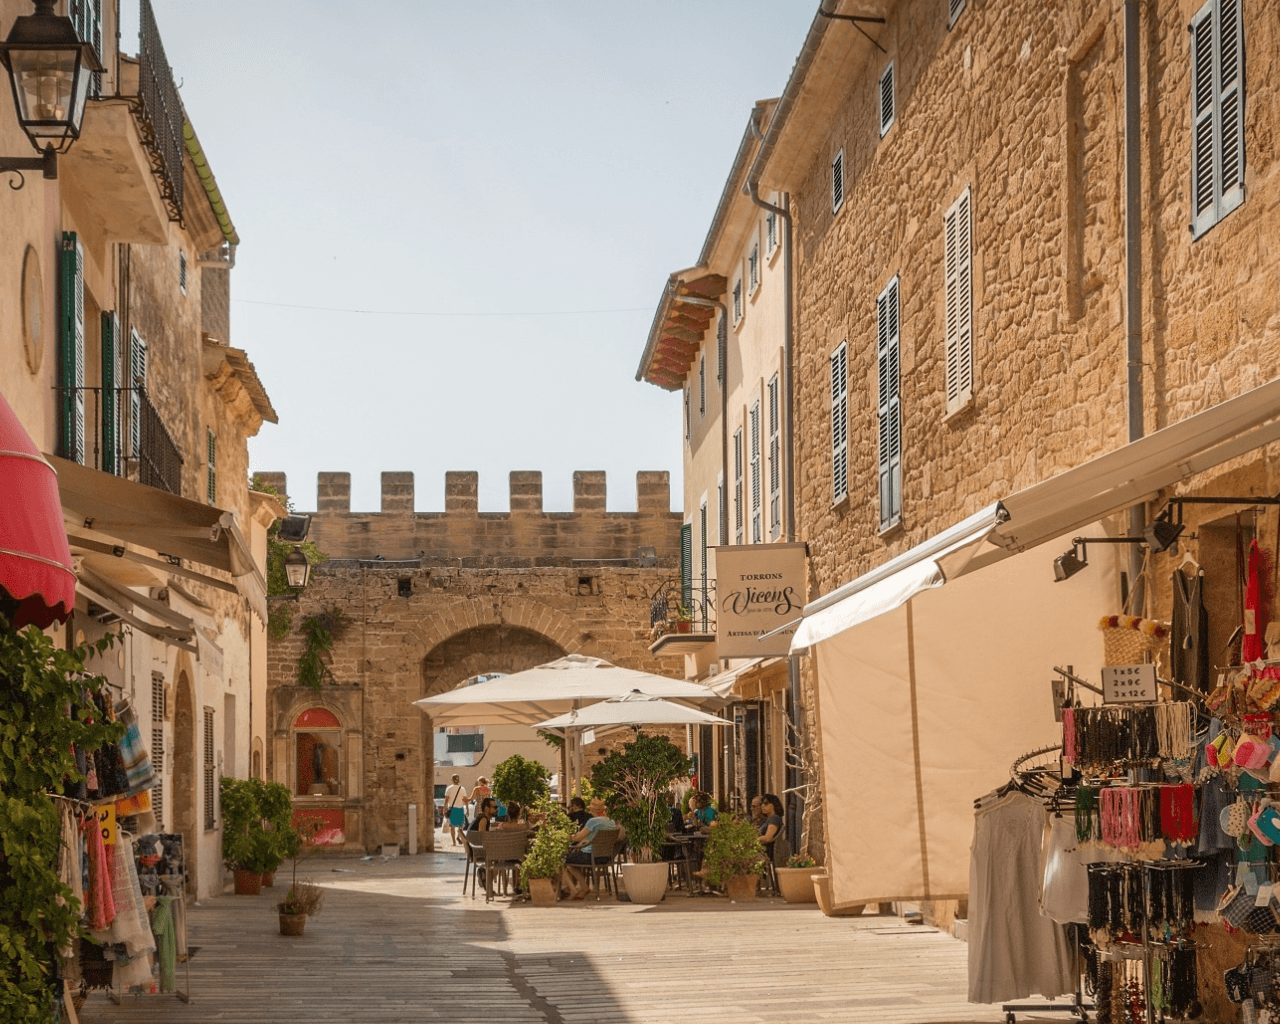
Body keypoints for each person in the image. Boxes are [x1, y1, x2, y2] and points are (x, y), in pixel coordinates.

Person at [563, 798, 617, 900]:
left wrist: (568, 837)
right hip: (605, 857)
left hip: (590, 856)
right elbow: (595, 838)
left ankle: (574, 889)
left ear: (591, 810)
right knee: (571, 864)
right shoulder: (611, 822)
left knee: (562, 859)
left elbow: (578, 837)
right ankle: (584, 888)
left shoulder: (593, 821)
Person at [443, 774, 469, 847]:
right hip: (460, 808)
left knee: (452, 826)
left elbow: (446, 800)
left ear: (452, 780)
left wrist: (444, 808)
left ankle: (454, 842)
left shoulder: (449, 788)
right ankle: (458, 836)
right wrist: (467, 809)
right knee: (461, 826)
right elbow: (465, 800)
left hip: (452, 809)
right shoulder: (462, 788)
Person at [758, 793, 784, 858]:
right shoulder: (768, 819)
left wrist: (754, 840)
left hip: (766, 852)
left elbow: (768, 838)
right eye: (761, 804)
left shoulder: (774, 819)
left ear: (773, 805)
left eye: (766, 803)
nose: (762, 806)